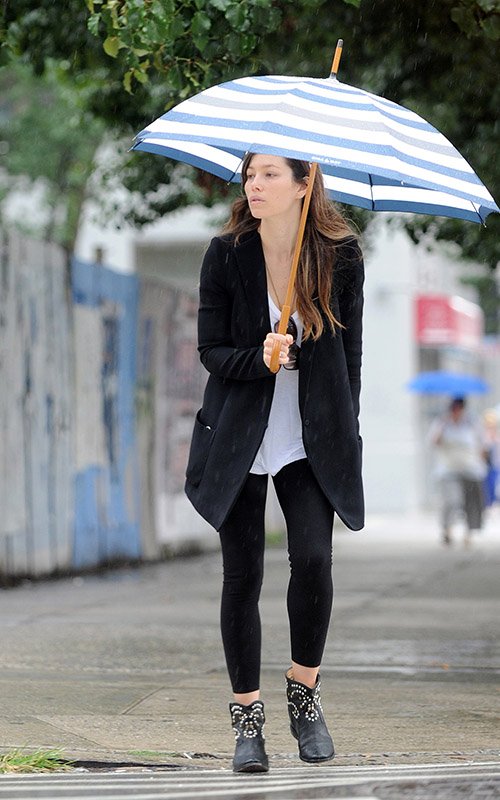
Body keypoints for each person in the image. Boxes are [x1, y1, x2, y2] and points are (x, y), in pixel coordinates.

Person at [184, 153, 364, 772]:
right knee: (243, 576)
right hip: (238, 437)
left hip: (309, 439)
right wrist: (258, 360)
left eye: (269, 175)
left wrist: (346, 429)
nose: (254, 185)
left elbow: (351, 357)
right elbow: (210, 350)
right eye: (250, 174)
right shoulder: (225, 253)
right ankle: (247, 719)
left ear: (303, 184)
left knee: (312, 560)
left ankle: (304, 693)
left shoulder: (340, 256)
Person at [429, 396, 487, 546]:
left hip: (471, 469)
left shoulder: (472, 423)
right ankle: (447, 530)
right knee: (452, 500)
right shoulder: (442, 422)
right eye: (453, 409)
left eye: (458, 409)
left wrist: (482, 464)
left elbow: (482, 444)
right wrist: (443, 426)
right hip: (448, 469)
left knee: (471, 503)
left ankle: (469, 533)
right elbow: (434, 442)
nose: (456, 412)